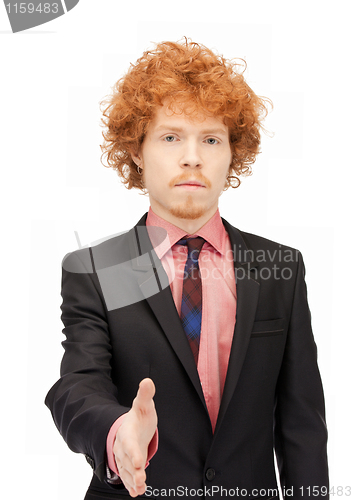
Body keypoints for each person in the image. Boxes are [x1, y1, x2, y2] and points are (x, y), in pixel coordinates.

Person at [45, 39, 329, 500]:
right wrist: (117, 433)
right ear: (137, 152)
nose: (192, 157)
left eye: (211, 139)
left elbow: (302, 424)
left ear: (233, 154)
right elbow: (79, 384)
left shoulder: (280, 268)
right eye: (171, 137)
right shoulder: (102, 269)